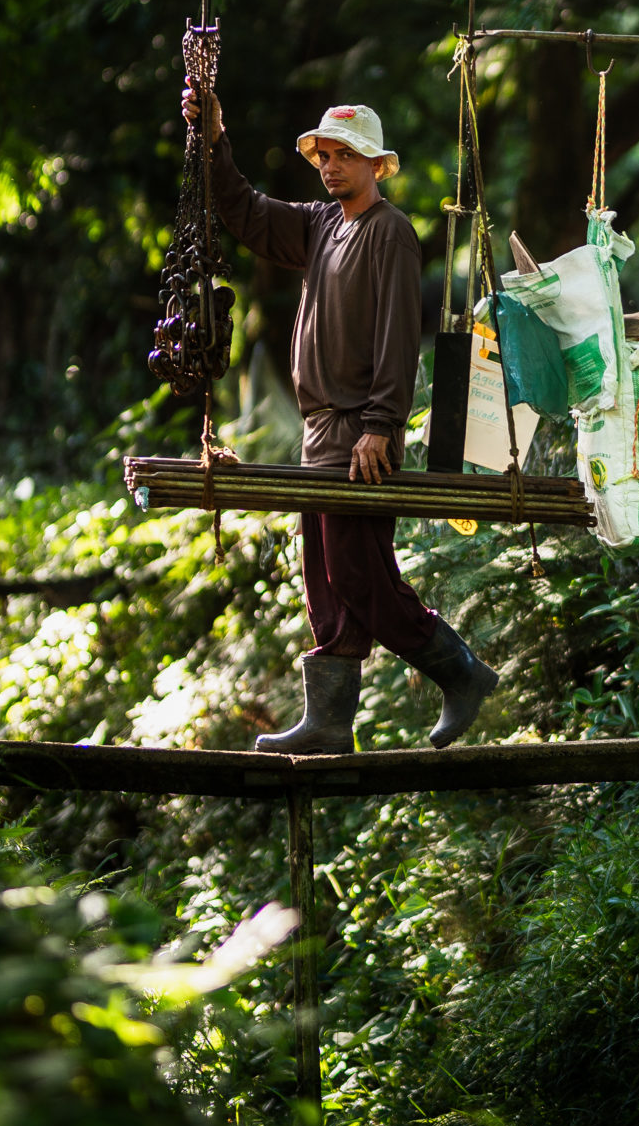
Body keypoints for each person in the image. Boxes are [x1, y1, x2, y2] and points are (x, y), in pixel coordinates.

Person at [179, 84, 498, 755]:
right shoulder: (321, 226)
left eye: (345, 155)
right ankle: (328, 723)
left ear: (375, 165)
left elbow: (395, 334)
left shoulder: (391, 233)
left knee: (358, 571)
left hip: (361, 435)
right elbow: (244, 211)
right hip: (318, 433)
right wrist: (213, 139)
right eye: (323, 154)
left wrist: (382, 425)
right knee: (325, 577)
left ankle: (461, 671)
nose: (330, 165)